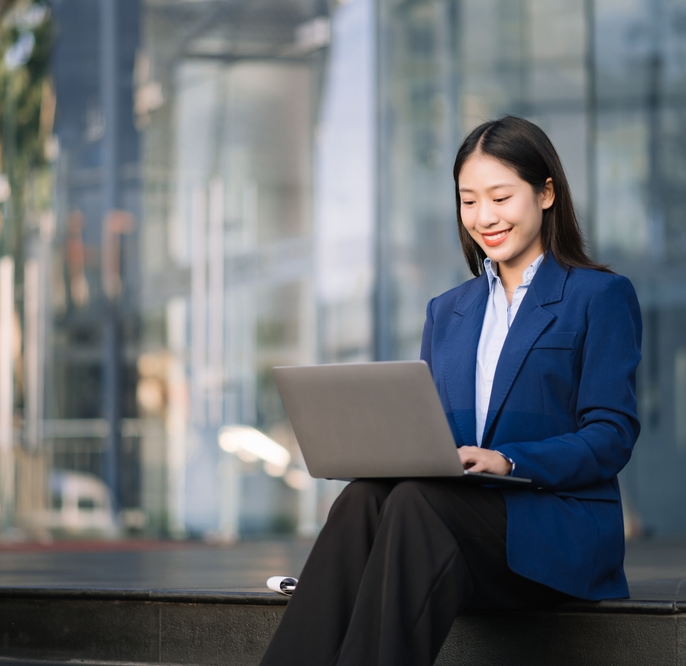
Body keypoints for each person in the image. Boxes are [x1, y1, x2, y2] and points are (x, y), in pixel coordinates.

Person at [260, 116, 642, 666]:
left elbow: (611, 436)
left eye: (500, 197)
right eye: (468, 201)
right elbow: (431, 432)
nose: (483, 217)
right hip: (457, 524)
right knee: (362, 499)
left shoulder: (598, 297)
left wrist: (509, 461)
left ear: (547, 193)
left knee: (416, 503)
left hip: (556, 529)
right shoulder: (448, 311)